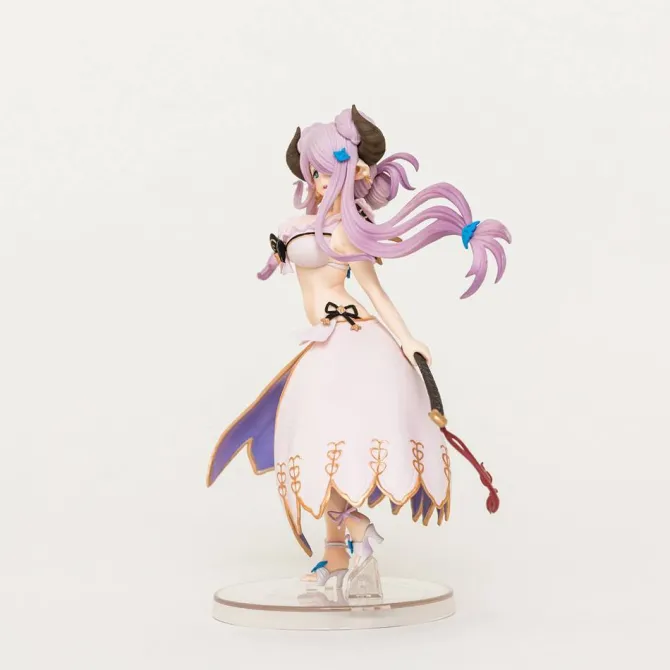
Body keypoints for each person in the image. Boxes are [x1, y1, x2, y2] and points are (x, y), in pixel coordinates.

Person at [207, 105, 511, 587]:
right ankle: (337, 558)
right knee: (318, 441)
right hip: (323, 341)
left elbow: (374, 292)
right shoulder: (299, 224)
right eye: (314, 173)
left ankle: (358, 530)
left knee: (328, 439)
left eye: (329, 171)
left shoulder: (350, 229)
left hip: (351, 337)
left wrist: (407, 339)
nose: (321, 182)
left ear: (352, 171)